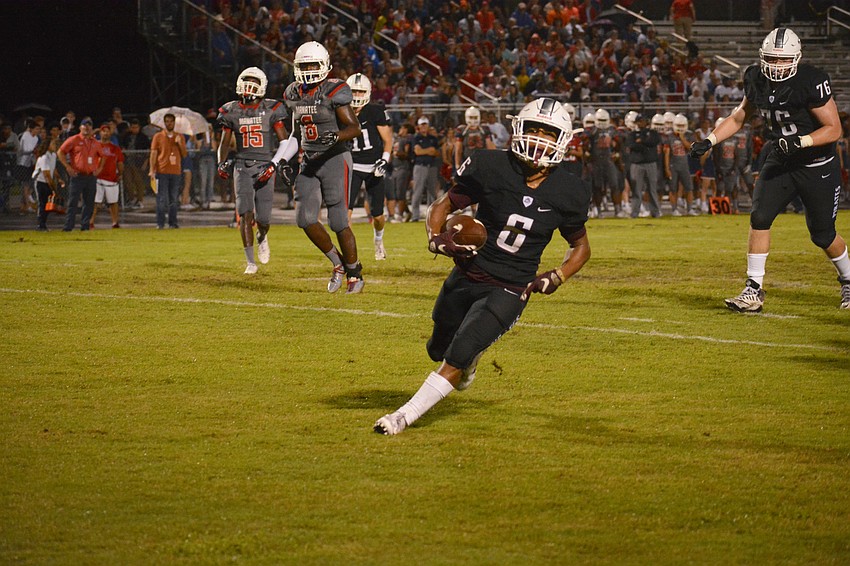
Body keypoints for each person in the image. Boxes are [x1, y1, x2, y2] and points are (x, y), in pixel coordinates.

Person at [374, 98, 591, 435]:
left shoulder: (570, 189)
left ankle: (403, 417)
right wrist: (435, 236)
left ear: (561, 141)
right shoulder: (492, 165)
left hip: (511, 286)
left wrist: (558, 275)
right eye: (533, 129)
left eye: (547, 133)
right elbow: (444, 204)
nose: (538, 139)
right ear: (518, 128)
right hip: (468, 271)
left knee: (457, 354)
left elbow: (581, 246)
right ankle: (468, 358)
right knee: (438, 348)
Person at [690, 28, 850, 311]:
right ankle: (753, 289)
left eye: (783, 60)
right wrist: (710, 140)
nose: (777, 66)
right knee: (760, 216)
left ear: (796, 58)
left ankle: (848, 279)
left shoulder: (811, 81)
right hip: (781, 159)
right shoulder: (755, 78)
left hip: (816, 164)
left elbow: (834, 129)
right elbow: (740, 116)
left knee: (822, 234)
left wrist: (801, 141)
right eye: (772, 59)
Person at [283, 41, 365, 293]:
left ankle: (355, 273)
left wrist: (337, 136)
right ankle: (338, 263)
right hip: (309, 160)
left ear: (324, 65)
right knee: (305, 219)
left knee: (339, 220)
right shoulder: (293, 93)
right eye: (303, 65)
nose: (308, 69)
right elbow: (295, 133)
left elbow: (354, 128)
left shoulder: (334, 89)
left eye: (312, 64)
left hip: (334, 158)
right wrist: (283, 159)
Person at [217, 67, 292, 274]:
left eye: (254, 82)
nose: (249, 86)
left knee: (264, 219)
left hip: (265, 165)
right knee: (245, 213)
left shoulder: (271, 109)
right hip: (241, 166)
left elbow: (285, 141)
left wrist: (274, 164)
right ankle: (250, 261)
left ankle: (262, 236)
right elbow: (224, 143)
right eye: (246, 81)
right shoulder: (231, 110)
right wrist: (220, 162)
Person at [345, 73, 394, 260]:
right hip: (353, 165)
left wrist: (384, 160)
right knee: (345, 213)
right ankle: (350, 252)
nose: (356, 96)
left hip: (374, 166)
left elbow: (388, 140)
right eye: (353, 91)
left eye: (360, 91)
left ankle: (378, 239)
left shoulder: (375, 111)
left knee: (378, 215)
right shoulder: (341, 111)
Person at [57, 117, 104, 232]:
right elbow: (60, 152)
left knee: (89, 203)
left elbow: (103, 156)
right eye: (84, 125)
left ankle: (85, 225)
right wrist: (68, 167)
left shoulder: (95, 142)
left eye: (89, 125)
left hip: (90, 176)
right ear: (80, 127)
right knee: (73, 202)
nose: (87, 127)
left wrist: (99, 168)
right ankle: (68, 226)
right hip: (77, 176)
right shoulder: (74, 139)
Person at [149, 113, 187, 229]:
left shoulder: (179, 136)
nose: (169, 123)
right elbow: (154, 153)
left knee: (174, 199)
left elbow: (184, 155)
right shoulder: (158, 136)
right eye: (167, 121)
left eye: (171, 121)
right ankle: (160, 223)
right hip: (162, 170)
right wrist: (152, 169)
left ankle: (173, 222)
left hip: (175, 171)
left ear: (174, 123)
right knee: (161, 198)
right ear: (164, 123)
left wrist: (180, 144)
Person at [627, 114, 662, 218]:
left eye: (643, 120)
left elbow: (654, 141)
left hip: (650, 163)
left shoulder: (653, 133)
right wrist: (645, 144)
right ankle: (634, 213)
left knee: (652, 189)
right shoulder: (632, 134)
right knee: (636, 190)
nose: (641, 123)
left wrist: (641, 142)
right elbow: (632, 145)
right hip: (637, 164)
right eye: (639, 121)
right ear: (636, 122)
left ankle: (655, 212)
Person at [90, 123, 124, 229]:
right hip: (98, 177)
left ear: (110, 133)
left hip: (111, 177)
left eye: (107, 131)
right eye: (103, 131)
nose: (105, 133)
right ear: (100, 132)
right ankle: (91, 222)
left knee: (113, 202)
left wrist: (121, 173)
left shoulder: (115, 148)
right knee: (96, 201)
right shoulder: (95, 145)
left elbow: (120, 162)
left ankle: (115, 222)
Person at [409, 116, 440, 222]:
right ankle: (415, 215)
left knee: (432, 192)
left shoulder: (433, 138)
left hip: (431, 166)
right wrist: (429, 150)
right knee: (418, 191)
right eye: (422, 124)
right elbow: (417, 152)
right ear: (418, 126)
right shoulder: (416, 138)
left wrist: (424, 150)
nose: (424, 127)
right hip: (420, 166)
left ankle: (432, 216)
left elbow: (436, 152)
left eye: (425, 124)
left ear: (428, 125)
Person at [33, 138, 63, 231]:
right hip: (41, 182)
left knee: (47, 204)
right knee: (42, 204)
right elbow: (47, 175)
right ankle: (40, 225)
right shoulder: (44, 157)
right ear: (48, 146)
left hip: (47, 182)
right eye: (53, 144)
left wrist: (58, 178)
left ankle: (43, 224)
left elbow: (53, 168)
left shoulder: (53, 155)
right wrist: (54, 189)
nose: (55, 146)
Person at [120, 118, 150, 209]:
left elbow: (148, 151)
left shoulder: (143, 137)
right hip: (127, 161)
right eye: (132, 127)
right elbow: (122, 146)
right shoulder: (126, 136)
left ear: (139, 127)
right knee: (128, 181)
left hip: (138, 162)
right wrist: (124, 151)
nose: (134, 129)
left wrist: (145, 162)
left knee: (139, 182)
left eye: (136, 127)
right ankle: (131, 199)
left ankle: (140, 200)